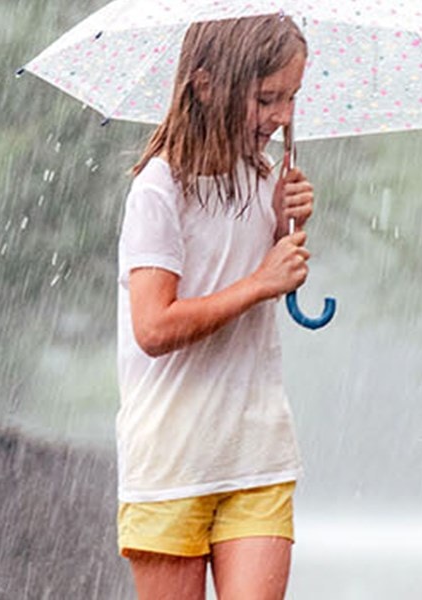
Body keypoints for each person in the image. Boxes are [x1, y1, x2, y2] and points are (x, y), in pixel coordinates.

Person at [112, 13, 313, 600]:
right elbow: (154, 327)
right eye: (267, 98)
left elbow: (263, 279)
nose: (283, 116)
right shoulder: (159, 189)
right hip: (171, 460)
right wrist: (258, 282)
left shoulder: (265, 179)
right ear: (205, 85)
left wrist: (282, 226)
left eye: (292, 97)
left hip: (257, 452)